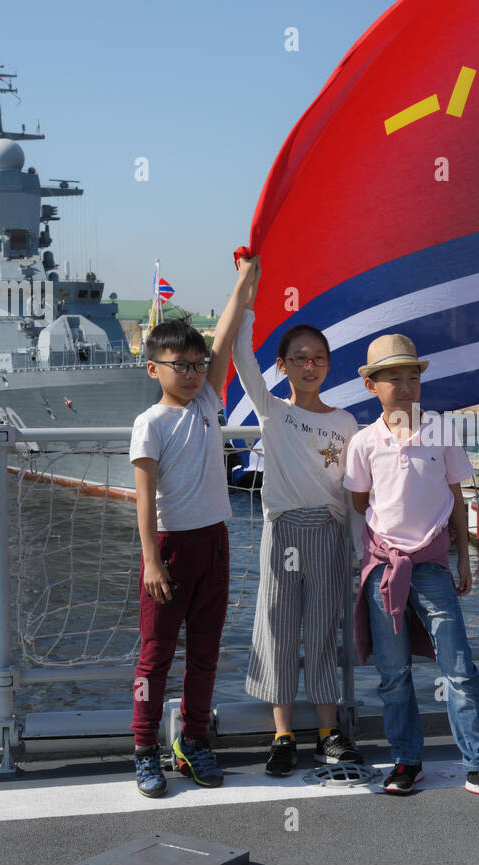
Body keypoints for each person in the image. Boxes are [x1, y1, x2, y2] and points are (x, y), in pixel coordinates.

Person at [344, 333, 479, 803]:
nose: (405, 385)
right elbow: (361, 501)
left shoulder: (441, 431)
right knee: (393, 672)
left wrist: (463, 555)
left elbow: (457, 497)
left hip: (433, 565)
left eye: (412, 376)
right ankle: (406, 759)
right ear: (371, 386)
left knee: (460, 668)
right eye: (393, 377)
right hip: (384, 568)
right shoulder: (364, 442)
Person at [219, 255, 363, 775]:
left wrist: (360, 548)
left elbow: (349, 493)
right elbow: (238, 353)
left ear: (328, 365)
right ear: (282, 367)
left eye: (318, 358)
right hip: (283, 532)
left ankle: (329, 731)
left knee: (324, 630)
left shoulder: (346, 422)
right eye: (299, 358)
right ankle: (282, 733)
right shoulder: (273, 409)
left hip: (328, 533)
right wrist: (248, 290)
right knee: (278, 630)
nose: (309, 365)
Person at [128, 300, 239, 797]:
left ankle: (192, 741)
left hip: (214, 542)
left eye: (198, 366)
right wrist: (151, 560)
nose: (194, 374)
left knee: (205, 654)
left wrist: (244, 280)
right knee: (155, 656)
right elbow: (145, 498)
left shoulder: (208, 402)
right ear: (154, 369)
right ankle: (144, 747)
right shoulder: (150, 422)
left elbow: (227, 333)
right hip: (170, 551)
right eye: (181, 366)